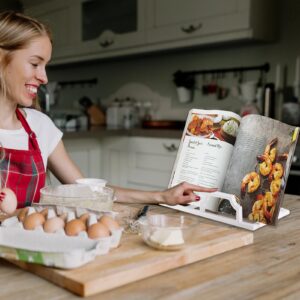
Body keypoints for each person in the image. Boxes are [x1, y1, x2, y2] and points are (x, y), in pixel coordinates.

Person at [0, 11, 216, 209]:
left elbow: (88, 193)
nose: (44, 78)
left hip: (29, 249)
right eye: (35, 63)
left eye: (45, 66)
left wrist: (162, 196)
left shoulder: (40, 127)